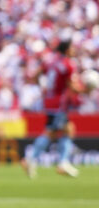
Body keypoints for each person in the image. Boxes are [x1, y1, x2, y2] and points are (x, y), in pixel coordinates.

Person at [22, 39, 80, 178]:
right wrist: (87, 89)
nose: (74, 50)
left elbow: (35, 75)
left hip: (49, 101)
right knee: (53, 132)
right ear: (66, 50)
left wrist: (44, 88)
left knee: (64, 130)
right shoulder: (68, 65)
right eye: (72, 48)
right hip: (59, 103)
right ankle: (60, 162)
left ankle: (34, 160)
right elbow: (73, 87)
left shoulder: (50, 61)